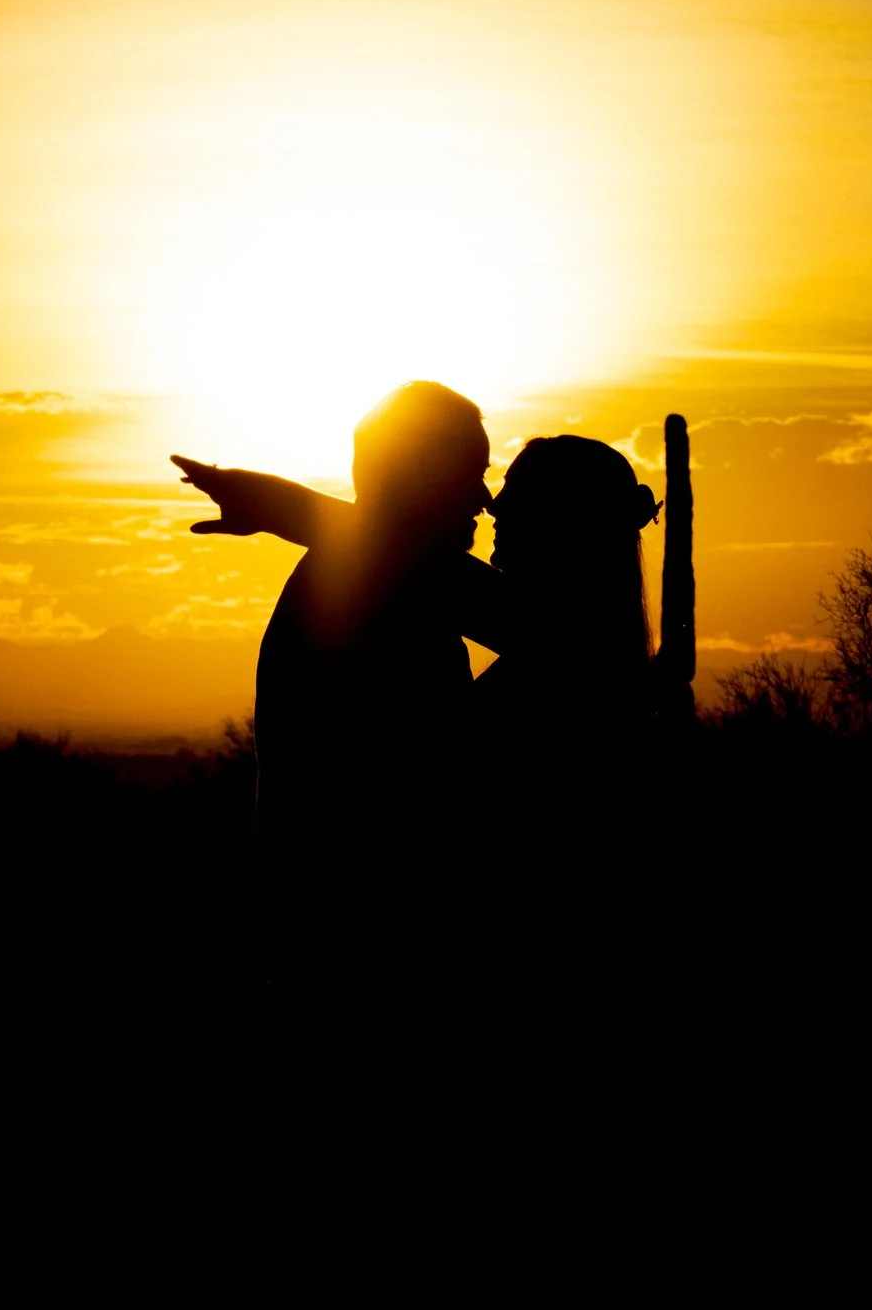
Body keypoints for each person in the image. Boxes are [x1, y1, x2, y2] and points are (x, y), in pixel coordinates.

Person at [176, 429, 688, 871]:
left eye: (517, 490)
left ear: (564, 522)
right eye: (481, 476)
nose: (492, 503)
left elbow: (409, 559)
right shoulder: (579, 642)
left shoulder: (565, 643)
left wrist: (272, 502)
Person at [174, 382, 493, 983]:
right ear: (420, 479)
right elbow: (526, 623)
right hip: (354, 944)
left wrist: (290, 509)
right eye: (469, 474)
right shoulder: (364, 590)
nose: (484, 498)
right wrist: (290, 509)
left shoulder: (377, 578)